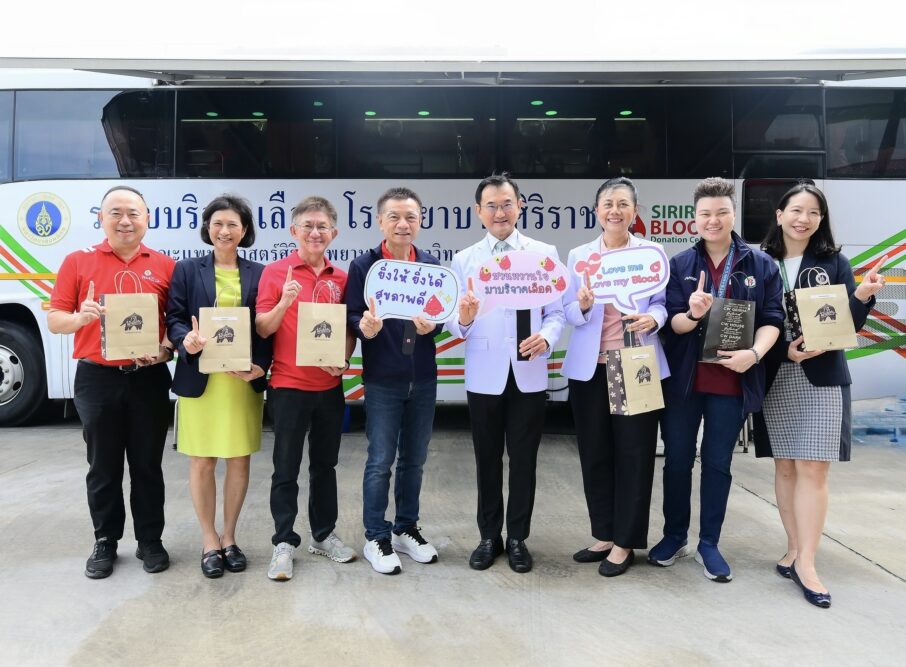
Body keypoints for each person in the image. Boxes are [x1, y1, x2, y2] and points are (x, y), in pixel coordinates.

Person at [755, 182, 884, 608]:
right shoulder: (760, 262)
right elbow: (752, 321)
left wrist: (862, 295)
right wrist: (782, 349)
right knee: (786, 467)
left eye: (813, 212)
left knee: (813, 468)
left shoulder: (834, 262)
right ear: (779, 215)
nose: (803, 219)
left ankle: (808, 563)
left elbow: (849, 323)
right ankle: (793, 549)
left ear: (821, 219)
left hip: (822, 376)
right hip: (777, 374)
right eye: (796, 210)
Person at [650, 177, 783, 582]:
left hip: (732, 381)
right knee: (677, 461)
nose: (713, 220)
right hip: (684, 383)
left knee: (718, 463)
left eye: (721, 212)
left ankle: (709, 543)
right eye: (705, 214)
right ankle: (675, 536)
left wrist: (753, 355)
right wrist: (692, 314)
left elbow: (773, 319)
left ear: (733, 214)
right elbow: (671, 324)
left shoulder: (760, 264)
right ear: (694, 218)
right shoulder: (680, 265)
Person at [48, 185, 175, 579]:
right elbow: (55, 319)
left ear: (147, 219)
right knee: (102, 466)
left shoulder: (166, 266)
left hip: (148, 378)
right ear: (101, 218)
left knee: (147, 465)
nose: (125, 221)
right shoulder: (78, 262)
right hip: (97, 378)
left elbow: (175, 325)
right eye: (116, 213)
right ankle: (105, 540)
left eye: (133, 213)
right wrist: (80, 318)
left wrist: (165, 351)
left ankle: (150, 540)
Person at [447, 173, 565, 574]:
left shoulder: (543, 253)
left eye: (507, 204)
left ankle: (517, 538)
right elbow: (454, 321)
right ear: (478, 211)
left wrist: (546, 338)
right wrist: (464, 318)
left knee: (524, 459)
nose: (500, 212)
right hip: (484, 374)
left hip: (529, 372)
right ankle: (488, 536)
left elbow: (556, 312)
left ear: (520, 206)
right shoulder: (465, 259)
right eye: (492, 206)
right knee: (487, 459)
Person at [560, 177, 670, 577]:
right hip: (590, 369)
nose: (615, 210)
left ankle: (625, 542)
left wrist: (652, 318)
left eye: (623, 203)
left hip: (634, 364)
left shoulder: (651, 254)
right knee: (595, 453)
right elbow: (568, 312)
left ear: (635, 212)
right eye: (608, 203)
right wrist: (582, 306)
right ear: (597, 211)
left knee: (634, 454)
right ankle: (604, 534)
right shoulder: (580, 256)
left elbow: (662, 304)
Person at [166, 195, 271, 579]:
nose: (224, 231)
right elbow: (174, 317)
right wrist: (186, 340)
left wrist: (262, 366)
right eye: (217, 224)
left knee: (239, 459)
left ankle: (230, 537)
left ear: (245, 231)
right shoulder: (186, 269)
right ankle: (209, 540)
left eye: (232, 225)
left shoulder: (260, 273)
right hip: (202, 379)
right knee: (203, 461)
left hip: (240, 381)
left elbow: (266, 328)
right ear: (207, 228)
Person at [256, 196, 356, 581]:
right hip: (287, 386)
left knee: (325, 466)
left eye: (322, 226)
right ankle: (283, 541)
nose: (315, 232)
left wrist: (343, 359)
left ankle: (323, 534)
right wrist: (284, 302)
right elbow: (263, 327)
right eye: (308, 226)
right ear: (293, 231)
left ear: (334, 233)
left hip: (329, 387)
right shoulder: (275, 273)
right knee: (285, 468)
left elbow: (348, 329)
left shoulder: (341, 278)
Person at [346, 187, 440, 575]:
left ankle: (405, 528)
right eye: (395, 217)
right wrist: (363, 326)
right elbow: (352, 314)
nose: (403, 224)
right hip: (383, 379)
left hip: (424, 378)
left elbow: (440, 315)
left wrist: (433, 325)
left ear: (421, 221)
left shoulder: (431, 264)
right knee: (381, 461)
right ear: (380, 221)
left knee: (414, 460)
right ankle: (375, 535)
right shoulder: (364, 266)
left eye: (411, 217)